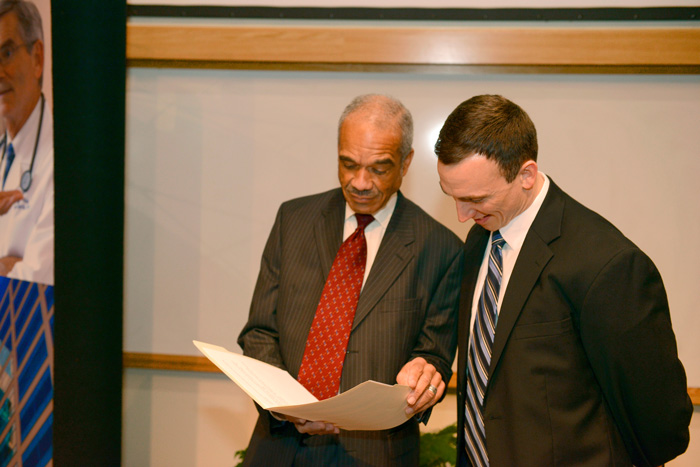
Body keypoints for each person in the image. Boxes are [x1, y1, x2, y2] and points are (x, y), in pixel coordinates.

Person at [435, 94, 692, 467]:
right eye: (452, 195)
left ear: (525, 174)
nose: (461, 215)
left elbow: (660, 424)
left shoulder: (608, 265)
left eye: (476, 198)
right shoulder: (482, 235)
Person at [238, 94, 463, 466]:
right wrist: (285, 407)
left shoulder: (439, 249)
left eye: (379, 168)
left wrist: (425, 376)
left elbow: (434, 355)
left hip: (375, 453)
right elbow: (259, 332)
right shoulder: (293, 221)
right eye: (348, 164)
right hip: (278, 446)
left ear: (406, 162)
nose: (360, 182)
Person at [0, 0, 53, 285]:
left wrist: (14, 272)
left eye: (6, 53)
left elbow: (33, 284)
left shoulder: (65, 162)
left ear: (37, 58)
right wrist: (5, 266)